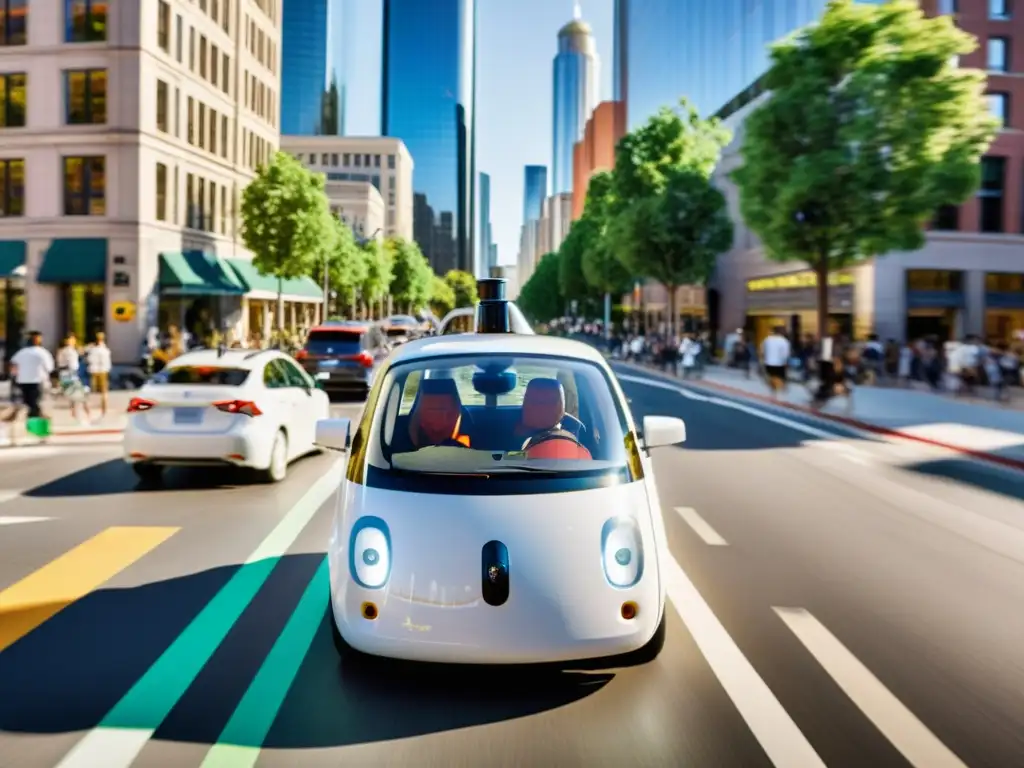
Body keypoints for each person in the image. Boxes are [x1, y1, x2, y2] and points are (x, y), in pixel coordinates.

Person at [3, 331, 55, 444]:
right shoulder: (43, 353)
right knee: (38, 407)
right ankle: (41, 434)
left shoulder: (21, 353)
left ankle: (15, 436)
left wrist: (16, 376)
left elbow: (13, 366)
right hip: (38, 382)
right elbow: (49, 368)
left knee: (23, 407)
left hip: (22, 382)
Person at [87, 331, 113, 418]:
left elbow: (89, 360)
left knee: (93, 390)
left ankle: (90, 409)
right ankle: (103, 408)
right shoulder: (105, 350)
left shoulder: (93, 349)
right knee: (104, 391)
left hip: (94, 371)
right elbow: (107, 362)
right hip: (103, 371)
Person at [760, 325, 791, 398]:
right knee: (780, 378)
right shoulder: (784, 341)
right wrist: (786, 362)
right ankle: (778, 392)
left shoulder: (767, 340)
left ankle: (773, 391)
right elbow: (785, 354)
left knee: (771, 377)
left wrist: (763, 359)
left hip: (768, 362)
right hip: (779, 363)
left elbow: (762, 351)